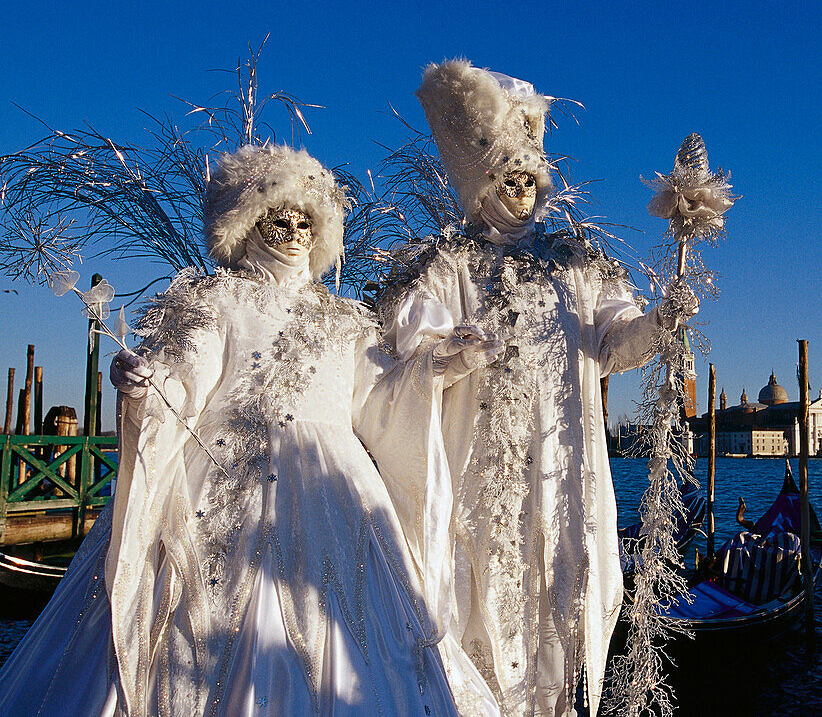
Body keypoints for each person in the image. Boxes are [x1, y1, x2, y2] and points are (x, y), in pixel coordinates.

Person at [0, 144, 501, 716]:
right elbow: (185, 380)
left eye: (304, 221)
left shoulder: (344, 320)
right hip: (225, 477)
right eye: (276, 219)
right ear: (245, 223)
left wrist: (441, 365)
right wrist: (148, 381)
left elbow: (383, 400)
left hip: (335, 487)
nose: (292, 233)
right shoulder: (216, 300)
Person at [378, 60, 698, 716]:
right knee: (477, 619)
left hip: (562, 483)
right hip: (479, 487)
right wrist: (454, 354)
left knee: (558, 631)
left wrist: (662, 320)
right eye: (509, 176)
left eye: (531, 178)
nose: (522, 190)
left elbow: (614, 342)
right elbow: (405, 356)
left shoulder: (577, 268)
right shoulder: (446, 267)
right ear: (481, 180)